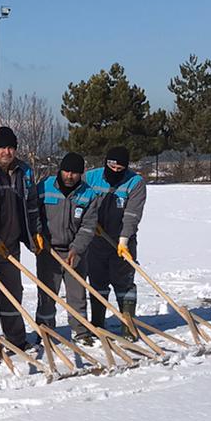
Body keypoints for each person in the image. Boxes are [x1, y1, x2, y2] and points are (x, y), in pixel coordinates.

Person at [0, 125, 44, 350]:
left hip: (11, 245)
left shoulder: (24, 172)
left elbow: (32, 205)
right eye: (2, 148)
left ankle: (16, 338)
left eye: (11, 148)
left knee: (13, 294)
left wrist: (35, 233)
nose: (7, 152)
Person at [35, 152, 101, 342]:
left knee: (77, 295)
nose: (69, 176)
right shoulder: (44, 187)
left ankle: (81, 331)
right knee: (47, 294)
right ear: (60, 170)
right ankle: (45, 332)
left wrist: (76, 249)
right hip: (49, 251)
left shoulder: (88, 194)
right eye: (67, 171)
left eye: (74, 173)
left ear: (81, 174)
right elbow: (34, 214)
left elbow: (88, 227)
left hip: (75, 251)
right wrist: (39, 237)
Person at [80, 145, 147, 329]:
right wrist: (89, 224)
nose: (115, 171)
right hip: (95, 240)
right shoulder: (90, 178)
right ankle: (98, 324)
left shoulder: (135, 182)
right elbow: (80, 201)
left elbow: (132, 214)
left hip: (122, 241)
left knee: (123, 281)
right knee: (97, 281)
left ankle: (128, 325)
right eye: (112, 167)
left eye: (120, 169)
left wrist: (124, 240)